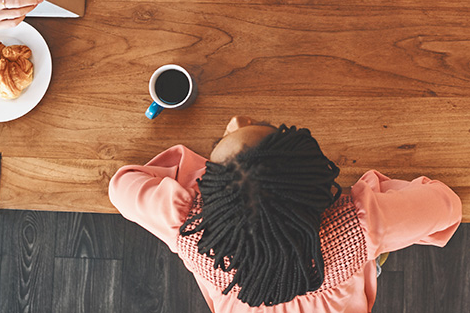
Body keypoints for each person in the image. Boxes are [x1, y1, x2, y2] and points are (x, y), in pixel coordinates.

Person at [109, 116, 462, 312]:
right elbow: (447, 207)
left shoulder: (187, 228)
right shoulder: (362, 227)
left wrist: (218, 186)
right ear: (319, 182)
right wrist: (374, 207)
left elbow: (121, 186)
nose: (235, 120)